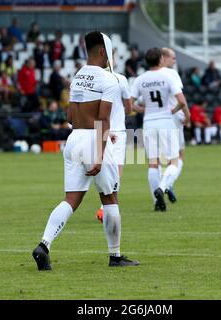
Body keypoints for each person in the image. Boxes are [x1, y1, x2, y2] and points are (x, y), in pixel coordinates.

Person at [32, 31, 139, 271]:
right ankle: (115, 256)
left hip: (73, 140)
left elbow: (70, 116)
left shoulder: (78, 75)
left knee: (70, 200)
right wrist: (100, 154)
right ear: (103, 52)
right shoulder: (109, 80)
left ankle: (44, 245)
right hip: (94, 140)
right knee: (110, 198)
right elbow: (103, 119)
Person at [130, 47, 190, 211]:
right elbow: (182, 101)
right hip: (165, 120)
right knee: (173, 160)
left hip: (148, 122)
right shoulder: (168, 76)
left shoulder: (140, 79)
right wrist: (174, 111)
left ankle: (157, 203)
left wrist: (142, 110)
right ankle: (163, 187)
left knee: (153, 163)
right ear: (161, 60)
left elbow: (129, 103)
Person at [95, 53, 133, 223]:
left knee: (99, 167)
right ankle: (106, 208)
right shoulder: (121, 79)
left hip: (97, 129)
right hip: (117, 130)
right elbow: (129, 107)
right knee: (116, 169)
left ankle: (105, 206)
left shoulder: (93, 80)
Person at [160, 47, 190, 203]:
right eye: (173, 58)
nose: (174, 61)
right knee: (178, 156)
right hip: (174, 119)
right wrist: (187, 115)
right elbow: (181, 99)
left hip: (156, 120)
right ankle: (166, 185)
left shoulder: (149, 75)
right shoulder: (172, 74)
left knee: (159, 158)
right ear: (163, 57)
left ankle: (161, 187)